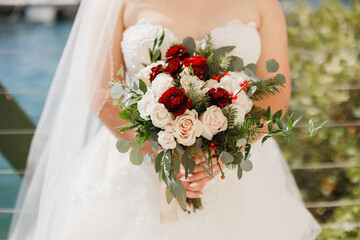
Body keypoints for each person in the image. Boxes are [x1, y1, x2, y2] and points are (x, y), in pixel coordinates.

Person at [9, 0, 322, 239]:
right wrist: (165, 158)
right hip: (138, 162)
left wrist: (219, 158)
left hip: (235, 170)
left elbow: (275, 96)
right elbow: (102, 92)